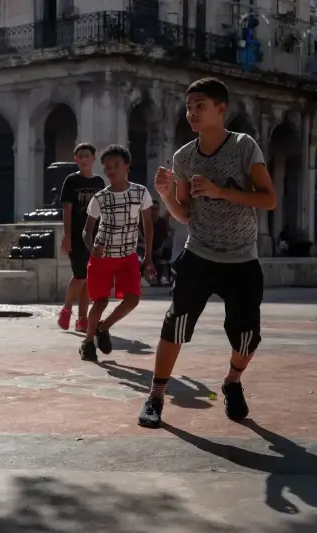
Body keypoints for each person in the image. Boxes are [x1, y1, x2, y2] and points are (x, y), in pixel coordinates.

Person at [138, 77, 276, 428]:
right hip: (198, 254)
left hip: (241, 259)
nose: (192, 113)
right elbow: (184, 213)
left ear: (220, 109)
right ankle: (155, 396)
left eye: (200, 105)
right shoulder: (184, 156)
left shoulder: (245, 147)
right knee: (176, 323)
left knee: (247, 336)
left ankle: (232, 381)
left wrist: (220, 191)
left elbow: (268, 199)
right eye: (189, 106)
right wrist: (166, 194)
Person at [79, 144, 154, 362]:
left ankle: (104, 327)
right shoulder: (100, 198)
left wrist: (148, 256)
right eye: (107, 167)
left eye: (115, 166)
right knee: (100, 302)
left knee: (132, 300)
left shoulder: (141, 193)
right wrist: (92, 247)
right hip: (102, 257)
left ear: (126, 167)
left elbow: (147, 224)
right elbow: (87, 230)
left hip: (127, 256)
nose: (111, 170)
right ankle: (88, 342)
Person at [58, 143, 105, 332]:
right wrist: (67, 236)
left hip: (94, 236)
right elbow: (67, 210)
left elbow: (102, 211)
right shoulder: (71, 181)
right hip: (77, 235)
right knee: (79, 275)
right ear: (75, 159)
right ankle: (66, 309)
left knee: (88, 278)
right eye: (80, 156)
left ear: (94, 158)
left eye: (87, 155)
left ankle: (82, 320)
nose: (84, 159)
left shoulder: (99, 183)